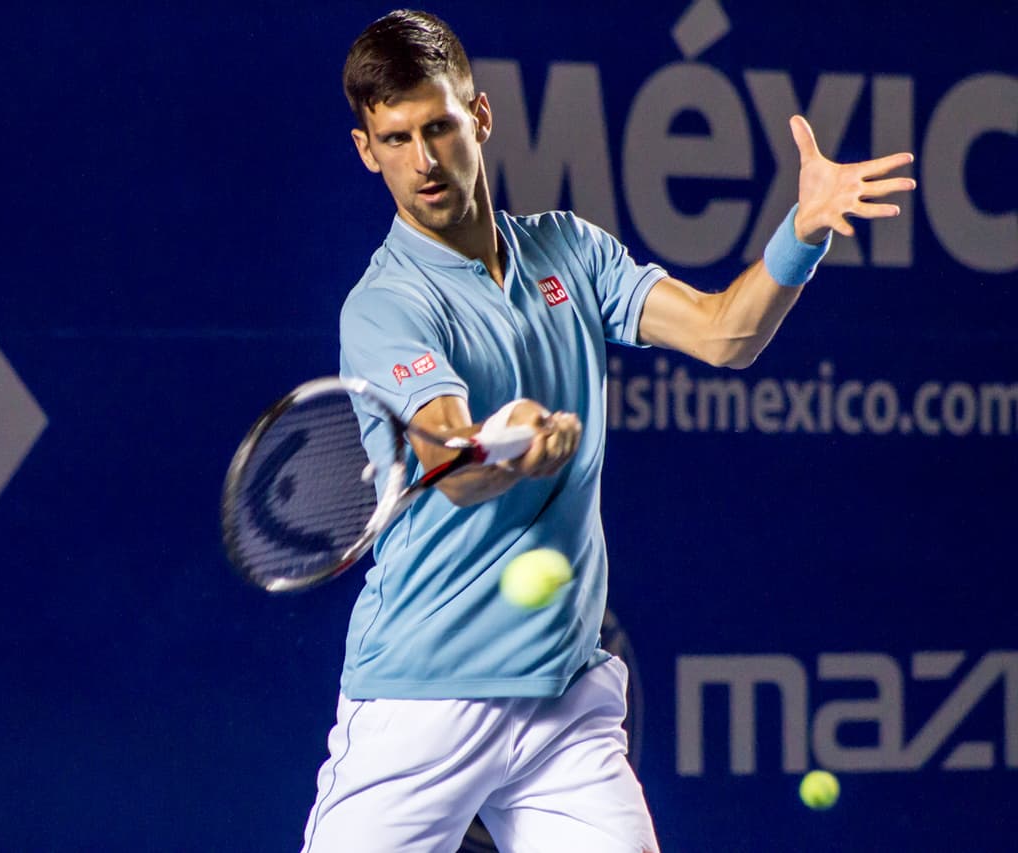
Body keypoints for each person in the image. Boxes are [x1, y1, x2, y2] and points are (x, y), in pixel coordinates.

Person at [303, 10, 914, 852]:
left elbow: (722, 333)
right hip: (421, 701)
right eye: (396, 139)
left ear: (478, 118)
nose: (423, 161)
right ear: (367, 149)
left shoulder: (569, 252)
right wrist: (502, 443)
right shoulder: (386, 304)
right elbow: (447, 450)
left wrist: (801, 231)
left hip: (564, 697)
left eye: (439, 127)